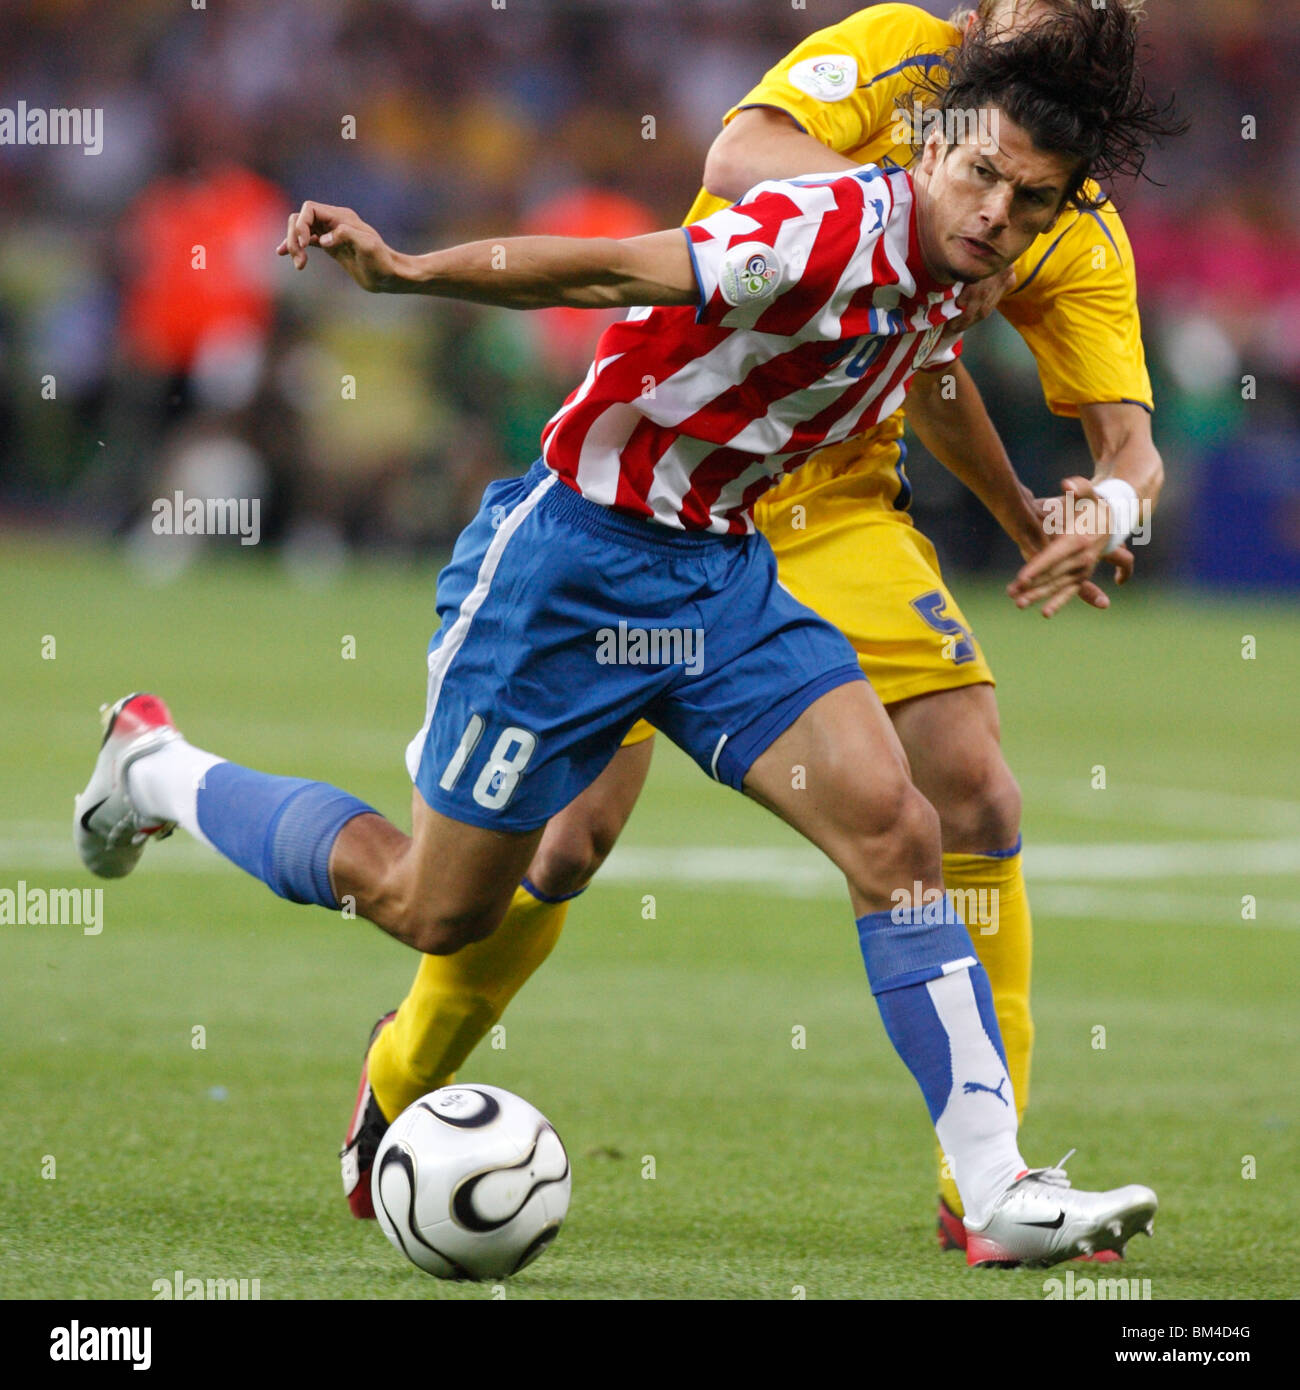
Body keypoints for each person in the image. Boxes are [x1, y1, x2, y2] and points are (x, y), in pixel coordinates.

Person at [77, 12, 1163, 1266]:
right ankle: (152, 767)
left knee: (899, 822)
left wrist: (1043, 507)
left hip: (719, 572)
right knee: (429, 905)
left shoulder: (966, 263)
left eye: (1022, 201)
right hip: (571, 570)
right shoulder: (821, 227)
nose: (991, 213)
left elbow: (928, 367)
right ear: (931, 150)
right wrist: (411, 270)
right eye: (976, 176)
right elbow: (613, 270)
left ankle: (992, 1186)